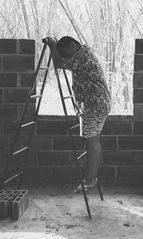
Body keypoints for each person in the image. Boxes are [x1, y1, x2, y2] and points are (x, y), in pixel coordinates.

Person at [45, 36, 111, 193]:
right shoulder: (84, 52)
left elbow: (58, 64)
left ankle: (90, 180)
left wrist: (53, 46)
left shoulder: (82, 56)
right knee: (93, 142)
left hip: (95, 104)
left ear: (73, 45)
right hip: (97, 102)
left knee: (91, 143)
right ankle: (92, 177)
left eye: (66, 53)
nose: (66, 57)